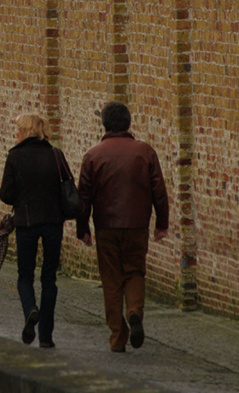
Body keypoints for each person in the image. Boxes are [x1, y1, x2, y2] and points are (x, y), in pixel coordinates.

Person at [76, 101, 169, 353]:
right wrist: (162, 223)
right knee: (135, 271)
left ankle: (118, 335)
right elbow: (159, 192)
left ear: (104, 123)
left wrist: (82, 228)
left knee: (111, 279)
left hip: (106, 226)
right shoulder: (145, 152)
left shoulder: (93, 155)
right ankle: (134, 311)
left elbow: (83, 196)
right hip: (137, 224)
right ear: (129, 123)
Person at [0, 113, 68, 349]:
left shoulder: (15, 157)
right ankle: (46, 337)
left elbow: (5, 195)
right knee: (49, 278)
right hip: (53, 223)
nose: (15, 134)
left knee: (24, 275)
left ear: (25, 132)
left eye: (18, 130)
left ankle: (31, 309)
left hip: (26, 224)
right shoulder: (55, 155)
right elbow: (67, 188)